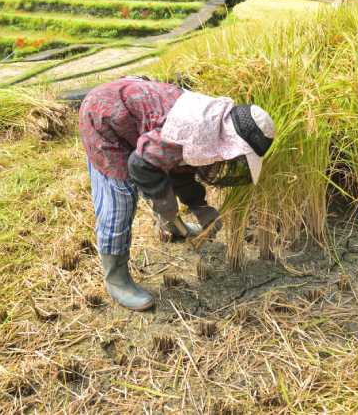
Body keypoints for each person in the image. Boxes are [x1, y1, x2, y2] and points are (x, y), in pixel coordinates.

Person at [79, 77, 275, 311]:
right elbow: (141, 165)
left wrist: (198, 205)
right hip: (104, 118)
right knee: (120, 200)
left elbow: (180, 165)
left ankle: (172, 226)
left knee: (162, 174)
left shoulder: (213, 125)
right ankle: (116, 278)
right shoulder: (192, 128)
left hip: (134, 117)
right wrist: (164, 201)